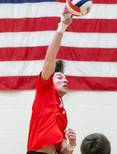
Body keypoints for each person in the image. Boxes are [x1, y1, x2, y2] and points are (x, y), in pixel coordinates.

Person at [27, 8, 77, 154]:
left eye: (65, 77)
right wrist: (62, 26)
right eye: (60, 77)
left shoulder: (62, 113)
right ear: (50, 80)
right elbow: (50, 57)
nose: (65, 80)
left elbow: (63, 150)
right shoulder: (45, 90)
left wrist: (72, 145)